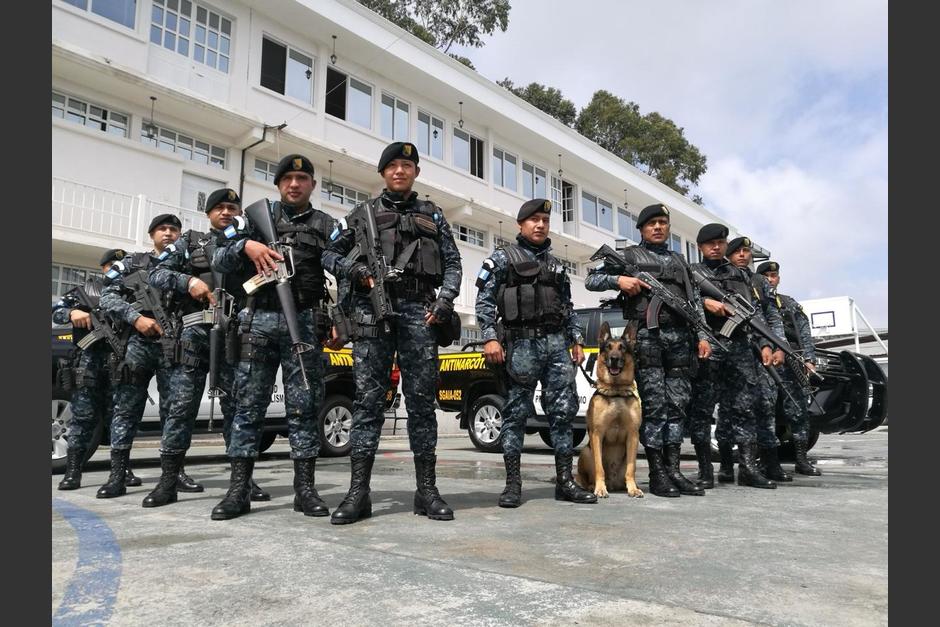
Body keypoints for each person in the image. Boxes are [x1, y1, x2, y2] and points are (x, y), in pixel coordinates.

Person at [324, 141, 462, 525]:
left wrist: (445, 301)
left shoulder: (433, 215)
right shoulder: (361, 214)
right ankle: (358, 494)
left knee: (421, 404)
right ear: (383, 173)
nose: (400, 171)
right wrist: (355, 272)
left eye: (407, 165)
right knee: (368, 403)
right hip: (373, 313)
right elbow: (328, 254)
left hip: (421, 314)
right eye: (393, 166)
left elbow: (453, 264)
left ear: (415, 172)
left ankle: (427, 491)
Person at [210, 155, 336, 520]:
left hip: (305, 322)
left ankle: (305, 489)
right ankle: (238, 490)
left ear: (312, 184)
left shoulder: (325, 224)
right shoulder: (251, 221)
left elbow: (339, 261)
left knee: (304, 406)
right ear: (278, 184)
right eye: (287, 178)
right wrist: (245, 246)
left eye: (301, 178)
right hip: (260, 319)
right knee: (249, 406)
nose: (294, 184)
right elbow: (219, 258)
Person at [145, 189, 270, 507]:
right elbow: (156, 274)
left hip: (235, 333)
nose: (226, 212)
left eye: (232, 207)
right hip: (194, 335)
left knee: (237, 410)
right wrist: (188, 282)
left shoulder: (249, 241)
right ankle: (168, 482)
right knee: (180, 409)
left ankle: (242, 482)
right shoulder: (189, 242)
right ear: (208, 212)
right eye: (220, 207)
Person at [475, 198, 596, 508]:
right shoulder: (502, 259)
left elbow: (567, 308)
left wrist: (577, 339)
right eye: (533, 220)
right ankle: (513, 485)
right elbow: (485, 302)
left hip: (557, 346)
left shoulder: (557, 265)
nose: (540, 224)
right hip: (521, 346)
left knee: (563, 414)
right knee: (515, 414)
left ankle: (565, 482)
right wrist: (490, 338)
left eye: (544, 219)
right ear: (521, 225)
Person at [585, 203, 710, 497]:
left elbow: (694, 303)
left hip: (680, 341)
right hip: (648, 339)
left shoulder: (680, 261)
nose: (658, 227)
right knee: (654, 407)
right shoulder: (628, 256)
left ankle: (674, 470)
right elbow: (592, 279)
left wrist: (703, 335)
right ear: (641, 229)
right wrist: (619, 279)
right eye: (652, 223)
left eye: (663, 223)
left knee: (677, 407)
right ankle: (657, 474)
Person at [95, 214, 185, 498]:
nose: (168, 233)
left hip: (173, 341)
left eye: (173, 229)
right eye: (162, 229)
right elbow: (106, 295)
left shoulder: (185, 262)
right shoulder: (132, 263)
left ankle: (174, 474)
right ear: (151, 234)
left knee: (175, 411)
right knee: (126, 408)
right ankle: (117, 476)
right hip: (138, 341)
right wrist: (136, 319)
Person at [688, 230, 781, 488]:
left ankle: (748, 469)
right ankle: (706, 470)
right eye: (710, 244)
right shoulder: (691, 271)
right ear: (700, 247)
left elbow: (756, 312)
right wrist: (706, 301)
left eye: (720, 243)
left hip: (740, 347)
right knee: (703, 409)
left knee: (744, 407)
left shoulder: (741, 275)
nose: (716, 248)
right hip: (709, 344)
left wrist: (764, 344)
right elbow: (684, 304)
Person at [55, 249, 141, 490]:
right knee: (82, 418)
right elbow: (57, 311)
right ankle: (73, 472)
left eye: (121, 265)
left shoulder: (131, 293)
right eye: (112, 265)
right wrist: (73, 312)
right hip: (89, 363)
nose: (117, 269)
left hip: (120, 362)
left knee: (121, 418)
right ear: (103, 268)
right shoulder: (87, 290)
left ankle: (122, 470)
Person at [723, 237, 793, 484]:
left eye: (747, 251)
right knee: (733, 408)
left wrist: (778, 346)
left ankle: (770, 462)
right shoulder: (724, 275)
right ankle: (728, 465)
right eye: (737, 251)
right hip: (733, 348)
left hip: (761, 349)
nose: (743, 255)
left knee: (765, 404)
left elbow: (771, 317)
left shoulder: (759, 281)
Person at [757, 260, 822, 476]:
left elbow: (804, 332)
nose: (770, 279)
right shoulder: (757, 300)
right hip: (766, 362)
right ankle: (767, 460)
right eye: (766, 276)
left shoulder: (789, 303)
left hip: (793, 361)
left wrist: (809, 359)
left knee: (798, 410)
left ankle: (801, 459)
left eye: (773, 276)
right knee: (766, 410)